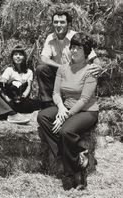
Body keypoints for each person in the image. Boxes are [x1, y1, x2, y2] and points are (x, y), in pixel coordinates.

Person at [37, 32, 99, 190]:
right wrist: (62, 108)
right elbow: (56, 93)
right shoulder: (63, 68)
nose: (74, 51)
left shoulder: (90, 71)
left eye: (79, 48)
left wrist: (65, 116)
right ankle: (76, 153)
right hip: (66, 107)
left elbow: (84, 99)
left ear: (86, 51)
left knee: (66, 131)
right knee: (43, 116)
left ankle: (71, 174)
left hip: (86, 111)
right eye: (73, 47)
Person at [35, 11, 101, 108]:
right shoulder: (50, 37)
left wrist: (98, 67)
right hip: (59, 73)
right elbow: (44, 58)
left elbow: (94, 58)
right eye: (56, 22)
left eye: (62, 22)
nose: (58, 25)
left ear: (69, 24)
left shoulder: (76, 37)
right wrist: (61, 67)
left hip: (75, 73)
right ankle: (48, 103)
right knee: (41, 68)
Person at [0, 45, 40, 115]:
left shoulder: (29, 72)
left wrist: (23, 96)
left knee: (36, 104)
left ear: (24, 57)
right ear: (12, 57)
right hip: (11, 98)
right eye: (15, 54)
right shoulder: (9, 70)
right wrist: (8, 99)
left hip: (22, 98)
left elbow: (29, 86)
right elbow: (1, 85)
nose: (18, 56)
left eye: (20, 54)